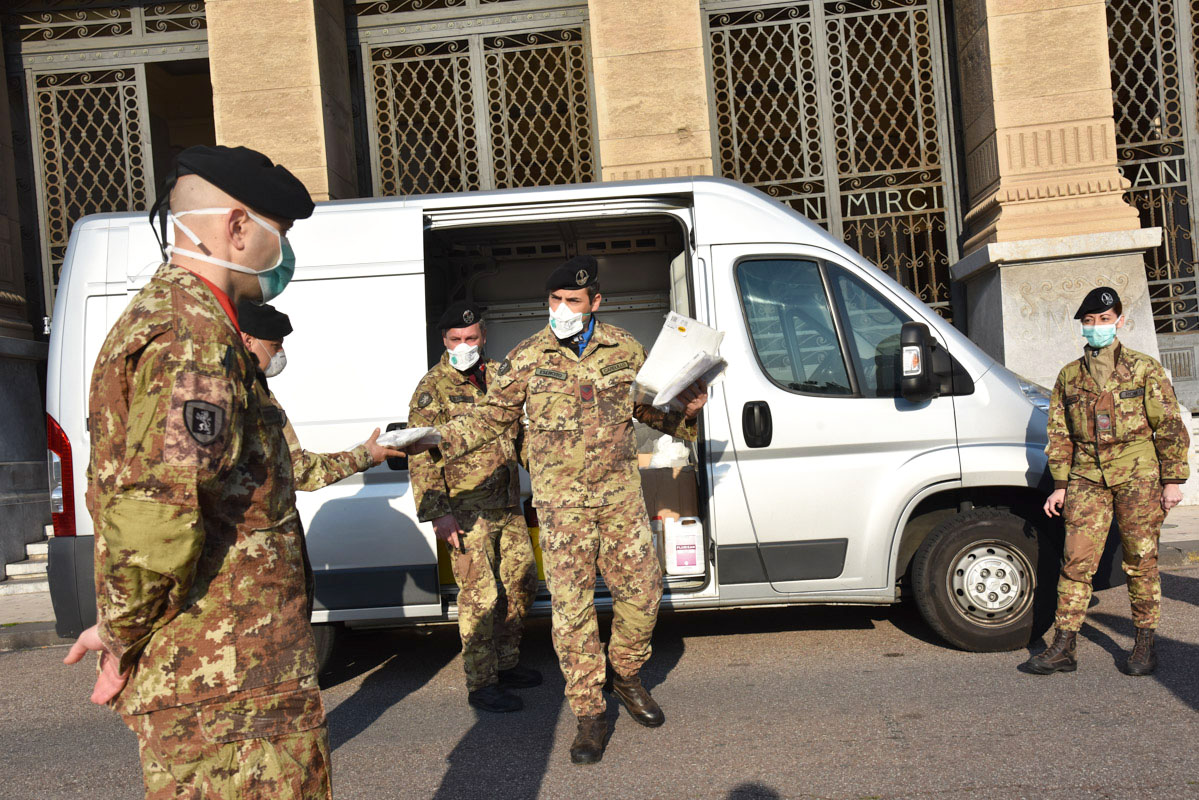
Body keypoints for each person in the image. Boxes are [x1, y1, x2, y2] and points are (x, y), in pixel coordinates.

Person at [61, 144, 424, 799]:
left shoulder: (187, 324)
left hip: (235, 677)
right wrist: (119, 632)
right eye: (277, 236)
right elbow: (155, 522)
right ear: (235, 227)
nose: (280, 256)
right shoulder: (191, 337)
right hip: (226, 688)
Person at [431, 256, 708, 764]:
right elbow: (489, 418)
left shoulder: (626, 348)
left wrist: (686, 411)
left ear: (595, 302)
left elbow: (649, 410)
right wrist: (434, 439)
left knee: (645, 594)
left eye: (572, 302)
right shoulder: (526, 358)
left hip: (620, 500)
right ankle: (588, 712)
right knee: (572, 611)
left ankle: (624, 674)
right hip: (563, 512)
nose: (561, 310)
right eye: (555, 301)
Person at [1028, 286, 1189, 677]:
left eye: (1104, 319)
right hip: (1087, 477)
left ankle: (1145, 642)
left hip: (1138, 474)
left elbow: (1168, 424)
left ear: (1119, 320)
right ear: (1082, 326)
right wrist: (1061, 484)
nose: (1097, 327)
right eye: (1089, 321)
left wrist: (1173, 479)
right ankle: (1064, 645)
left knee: (1140, 560)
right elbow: (1060, 433)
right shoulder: (1069, 376)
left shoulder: (1143, 368)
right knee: (1076, 561)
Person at [406, 300, 540, 713]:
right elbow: (418, 454)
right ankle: (482, 683)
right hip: (465, 511)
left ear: (483, 337)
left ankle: (506, 661)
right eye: (455, 339)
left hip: (506, 503)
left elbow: (521, 437)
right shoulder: (432, 389)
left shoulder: (502, 377)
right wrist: (436, 511)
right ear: (443, 342)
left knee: (521, 583)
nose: (464, 345)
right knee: (479, 597)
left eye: (471, 338)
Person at [237, 299, 401, 494]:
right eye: (275, 346)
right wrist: (364, 456)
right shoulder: (238, 393)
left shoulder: (258, 389)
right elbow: (296, 469)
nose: (280, 353)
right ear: (248, 341)